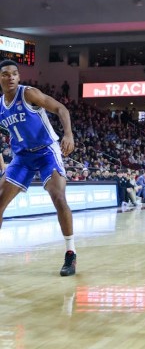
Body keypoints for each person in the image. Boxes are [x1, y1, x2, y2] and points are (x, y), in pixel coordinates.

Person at [0, 60, 77, 276]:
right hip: (22, 156)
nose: (12, 77)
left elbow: (60, 108)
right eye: (6, 74)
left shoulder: (28, 94)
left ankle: (70, 253)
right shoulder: (0, 107)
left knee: (58, 197)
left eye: (15, 74)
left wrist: (68, 134)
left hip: (46, 151)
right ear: (0, 79)